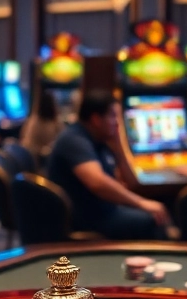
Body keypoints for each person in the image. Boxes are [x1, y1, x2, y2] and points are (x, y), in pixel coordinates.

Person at [48, 90, 169, 240]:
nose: (118, 122)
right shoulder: (74, 140)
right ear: (96, 119)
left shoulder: (99, 140)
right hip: (85, 218)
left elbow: (131, 182)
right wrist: (141, 203)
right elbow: (98, 183)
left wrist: (119, 147)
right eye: (113, 116)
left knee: (158, 211)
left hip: (103, 210)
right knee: (153, 220)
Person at [20, 89, 64, 166]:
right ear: (53, 105)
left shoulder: (32, 119)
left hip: (25, 158)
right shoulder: (54, 123)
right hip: (36, 162)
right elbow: (62, 142)